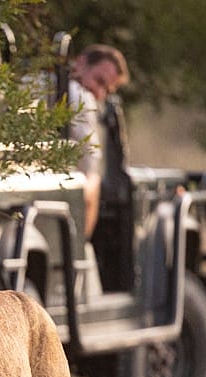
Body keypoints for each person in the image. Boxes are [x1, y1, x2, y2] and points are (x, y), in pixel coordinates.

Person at [66, 44, 130, 237]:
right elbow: (89, 163)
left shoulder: (33, 81)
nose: (99, 94)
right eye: (99, 81)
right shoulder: (80, 97)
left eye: (107, 91)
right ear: (81, 63)